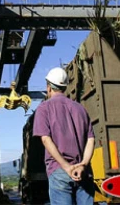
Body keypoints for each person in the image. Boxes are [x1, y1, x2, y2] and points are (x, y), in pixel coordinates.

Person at [33, 67, 95, 205]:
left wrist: (66, 167)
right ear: (65, 87)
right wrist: (83, 164)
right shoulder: (80, 109)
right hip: (83, 172)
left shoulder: (44, 108)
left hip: (60, 171)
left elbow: (45, 139)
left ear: (49, 87)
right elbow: (91, 139)